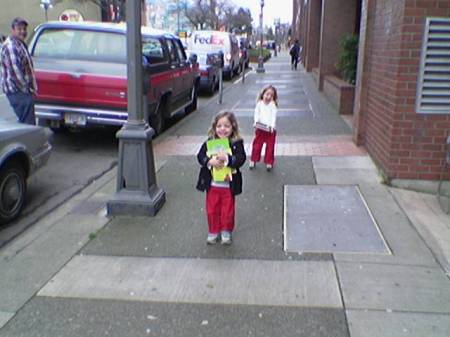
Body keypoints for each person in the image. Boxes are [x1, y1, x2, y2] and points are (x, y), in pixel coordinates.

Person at [196, 111, 246, 245]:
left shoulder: (236, 143)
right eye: (219, 126)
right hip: (212, 186)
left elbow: (241, 158)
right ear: (214, 127)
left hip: (229, 186)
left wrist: (229, 159)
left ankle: (226, 231)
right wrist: (208, 161)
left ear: (233, 127)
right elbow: (200, 156)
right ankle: (213, 230)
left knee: (227, 211)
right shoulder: (210, 142)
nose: (222, 129)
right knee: (212, 210)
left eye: (226, 126)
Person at [1, 18, 37, 125]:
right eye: (19, 29)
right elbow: (15, 72)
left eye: (24, 29)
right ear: (13, 30)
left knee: (25, 122)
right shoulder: (11, 46)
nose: (23, 31)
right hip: (17, 91)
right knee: (28, 124)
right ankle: (30, 142)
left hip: (22, 91)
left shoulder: (19, 44)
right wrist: (26, 91)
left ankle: (28, 140)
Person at [249, 85, 278, 171]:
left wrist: (272, 126)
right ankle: (253, 160)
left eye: (271, 95)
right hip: (260, 128)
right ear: (263, 94)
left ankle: (269, 161)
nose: (268, 97)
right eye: (267, 94)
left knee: (270, 147)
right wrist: (256, 122)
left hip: (270, 130)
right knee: (257, 145)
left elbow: (273, 116)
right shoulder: (259, 104)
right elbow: (256, 114)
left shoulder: (273, 105)